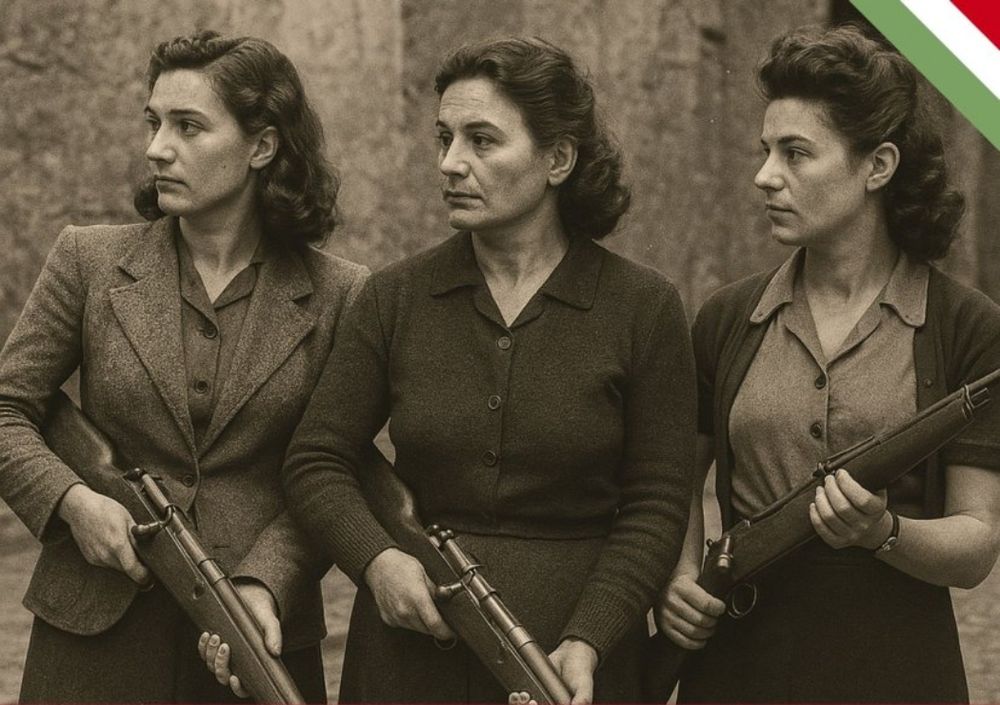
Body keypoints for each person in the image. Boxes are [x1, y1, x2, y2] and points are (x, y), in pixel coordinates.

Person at [277, 36, 696, 703]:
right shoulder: (397, 296)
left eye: (481, 141)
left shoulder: (642, 307)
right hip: (408, 656)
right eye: (444, 138)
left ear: (557, 158)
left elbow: (657, 501)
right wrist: (377, 560)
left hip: (568, 659)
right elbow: (316, 456)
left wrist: (589, 639)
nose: (450, 163)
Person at [0, 30, 367, 703]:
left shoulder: (344, 294)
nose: (156, 148)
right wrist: (73, 501)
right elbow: (6, 407)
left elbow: (333, 467)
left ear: (262, 146)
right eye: (153, 121)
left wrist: (266, 582)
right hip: (91, 630)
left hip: (254, 635)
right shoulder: (87, 260)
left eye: (188, 126)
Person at [655, 24, 1000, 703]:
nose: (764, 176)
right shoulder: (727, 319)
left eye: (795, 154)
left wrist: (885, 532)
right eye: (765, 151)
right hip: (740, 666)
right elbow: (671, 484)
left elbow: (976, 544)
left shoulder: (964, 326)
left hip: (897, 670)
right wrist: (681, 576)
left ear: (878, 166)